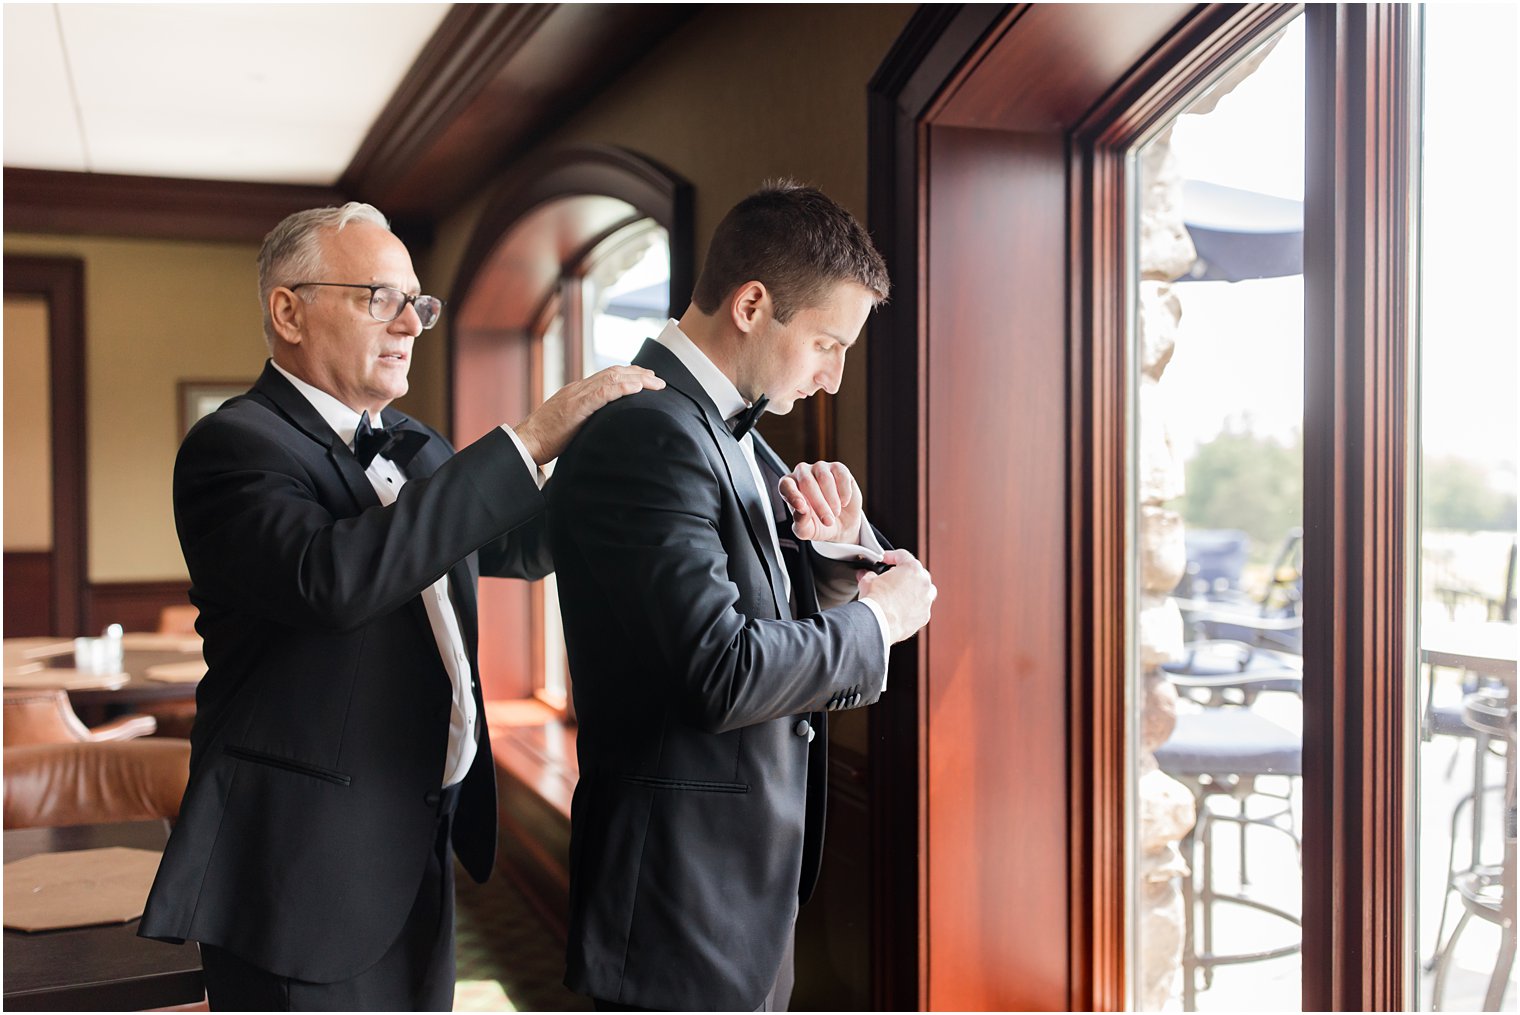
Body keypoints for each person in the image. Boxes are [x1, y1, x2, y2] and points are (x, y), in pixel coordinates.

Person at [138, 201, 662, 1011]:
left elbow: (515, 546)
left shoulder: (417, 445)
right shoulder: (233, 447)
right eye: (378, 297)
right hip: (302, 868)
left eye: (416, 302)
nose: (411, 324)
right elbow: (332, 578)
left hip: (418, 833)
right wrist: (529, 437)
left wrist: (624, 463)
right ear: (289, 311)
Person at [547, 182, 937, 1011]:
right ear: (753, 304)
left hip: (733, 894)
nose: (833, 378)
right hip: (676, 903)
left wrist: (832, 572)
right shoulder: (649, 433)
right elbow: (718, 670)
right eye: (829, 343)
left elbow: (748, 629)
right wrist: (881, 620)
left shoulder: (737, 436)